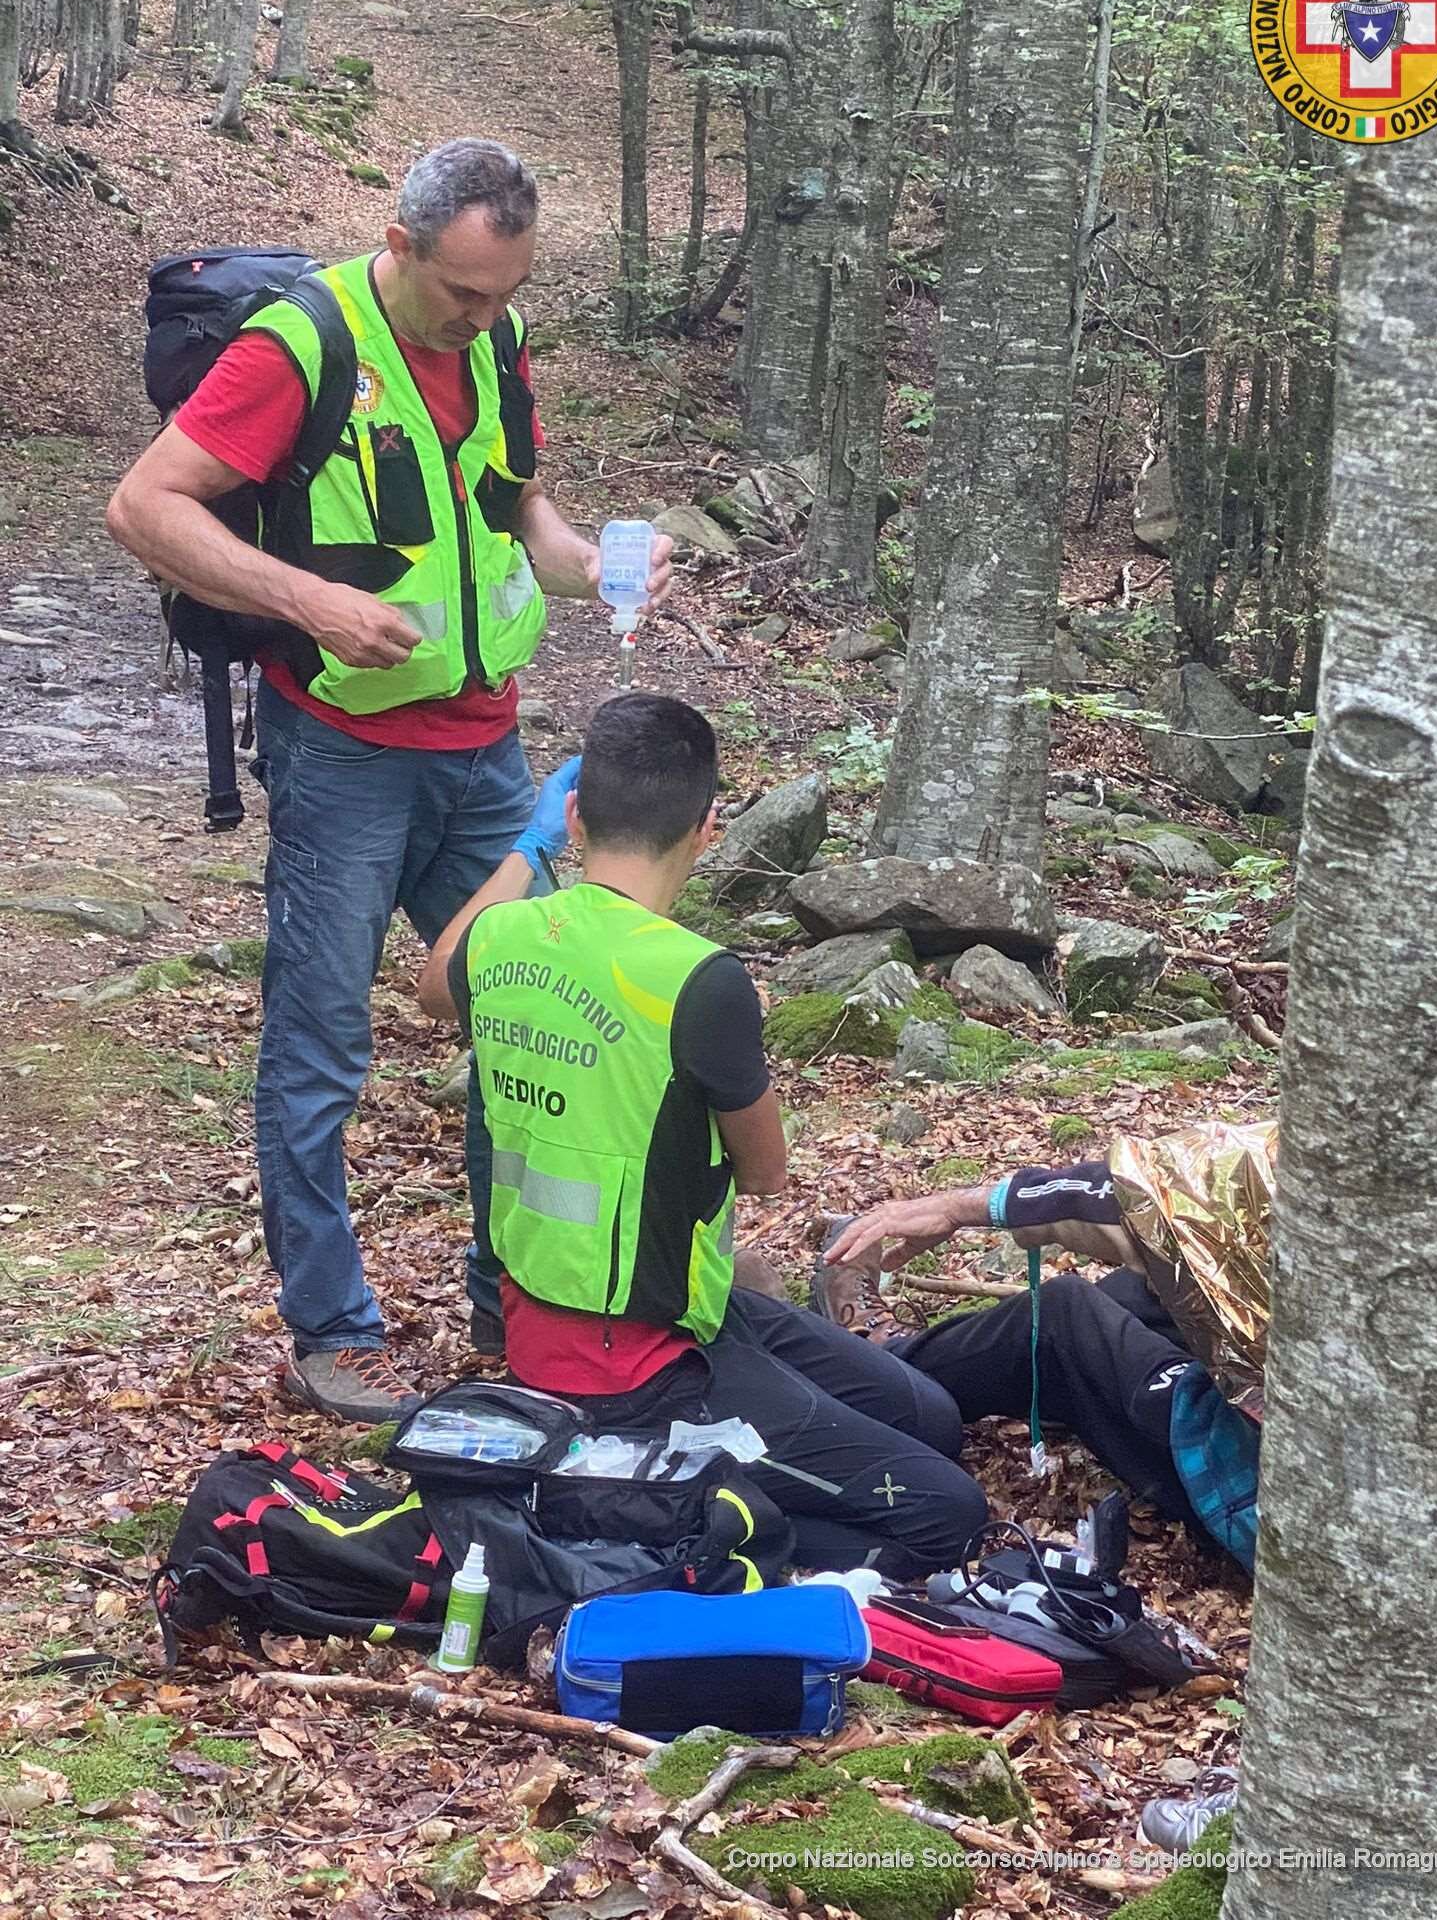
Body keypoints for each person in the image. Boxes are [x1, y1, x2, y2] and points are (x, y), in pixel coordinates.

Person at [107, 138, 672, 1425]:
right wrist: (311, 601)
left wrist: (592, 564)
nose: (484, 317)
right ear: (402, 244)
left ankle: (515, 1288)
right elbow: (144, 507)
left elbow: (513, 505)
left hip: (485, 751)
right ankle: (333, 1328)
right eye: (464, 292)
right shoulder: (301, 345)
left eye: (506, 294)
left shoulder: (495, 340)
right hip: (346, 750)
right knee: (322, 1046)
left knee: (530, 1017)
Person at [418, 692, 990, 1578]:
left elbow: (432, 983)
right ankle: (684, 1526)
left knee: (933, 1416)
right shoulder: (696, 978)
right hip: (633, 1370)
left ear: (574, 812)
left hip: (671, 1305)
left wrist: (527, 851)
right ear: (709, 825)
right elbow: (765, 1172)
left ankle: (708, 1484)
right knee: (946, 1516)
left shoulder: (502, 936)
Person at [815, 1155, 1261, 1569]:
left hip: (1257, 1487)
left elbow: (1168, 1205)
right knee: (1143, 1292)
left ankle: (881, 1363)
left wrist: (963, 1208)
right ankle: (1074, 1392)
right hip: (1291, 1455)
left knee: (1062, 1316)